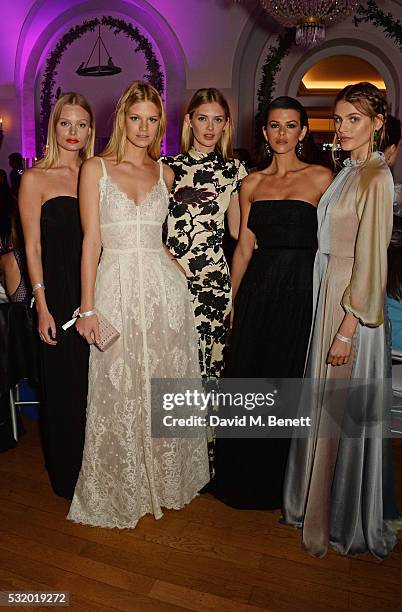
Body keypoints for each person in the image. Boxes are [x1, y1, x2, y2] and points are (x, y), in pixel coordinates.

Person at [67, 81, 209, 529]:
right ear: (121, 119)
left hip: (164, 292)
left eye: (152, 119)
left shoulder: (165, 173)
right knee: (116, 385)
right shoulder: (96, 168)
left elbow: (156, 238)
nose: (144, 128)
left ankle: (167, 481)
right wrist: (87, 309)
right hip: (115, 286)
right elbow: (92, 242)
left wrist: (173, 261)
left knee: (164, 381)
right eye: (136, 118)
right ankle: (120, 487)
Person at [283, 82, 397, 559]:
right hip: (329, 292)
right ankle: (319, 505)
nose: (344, 126)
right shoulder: (348, 171)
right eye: (340, 117)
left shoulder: (376, 177)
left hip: (352, 306)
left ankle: (343, 517)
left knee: (341, 413)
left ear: (377, 125)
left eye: (355, 119)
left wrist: (348, 329)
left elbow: (372, 262)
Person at [212, 97, 333, 509]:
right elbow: (244, 246)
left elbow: (331, 245)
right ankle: (241, 474)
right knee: (249, 376)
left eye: (291, 125)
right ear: (264, 132)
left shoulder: (322, 178)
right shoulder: (252, 183)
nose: (282, 133)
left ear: (303, 131)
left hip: (300, 288)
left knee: (287, 380)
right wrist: (233, 298)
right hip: (259, 288)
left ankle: (283, 481)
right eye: (275, 126)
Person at [19, 92, 94, 499]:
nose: (73, 132)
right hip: (57, 298)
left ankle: (100, 469)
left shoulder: (95, 172)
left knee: (98, 388)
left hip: (97, 291)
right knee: (64, 391)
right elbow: (31, 248)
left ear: (90, 131)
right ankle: (69, 477)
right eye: (66, 123)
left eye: (81, 124)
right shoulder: (35, 178)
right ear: (54, 127)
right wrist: (42, 305)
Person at [163, 88, 248, 379]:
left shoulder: (235, 170)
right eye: (203, 118)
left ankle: (207, 426)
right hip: (172, 276)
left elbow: (238, 230)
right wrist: (170, 265)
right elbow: (148, 228)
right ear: (189, 120)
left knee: (210, 367)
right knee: (175, 360)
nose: (210, 127)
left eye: (218, 119)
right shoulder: (167, 167)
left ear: (226, 123)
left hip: (214, 279)